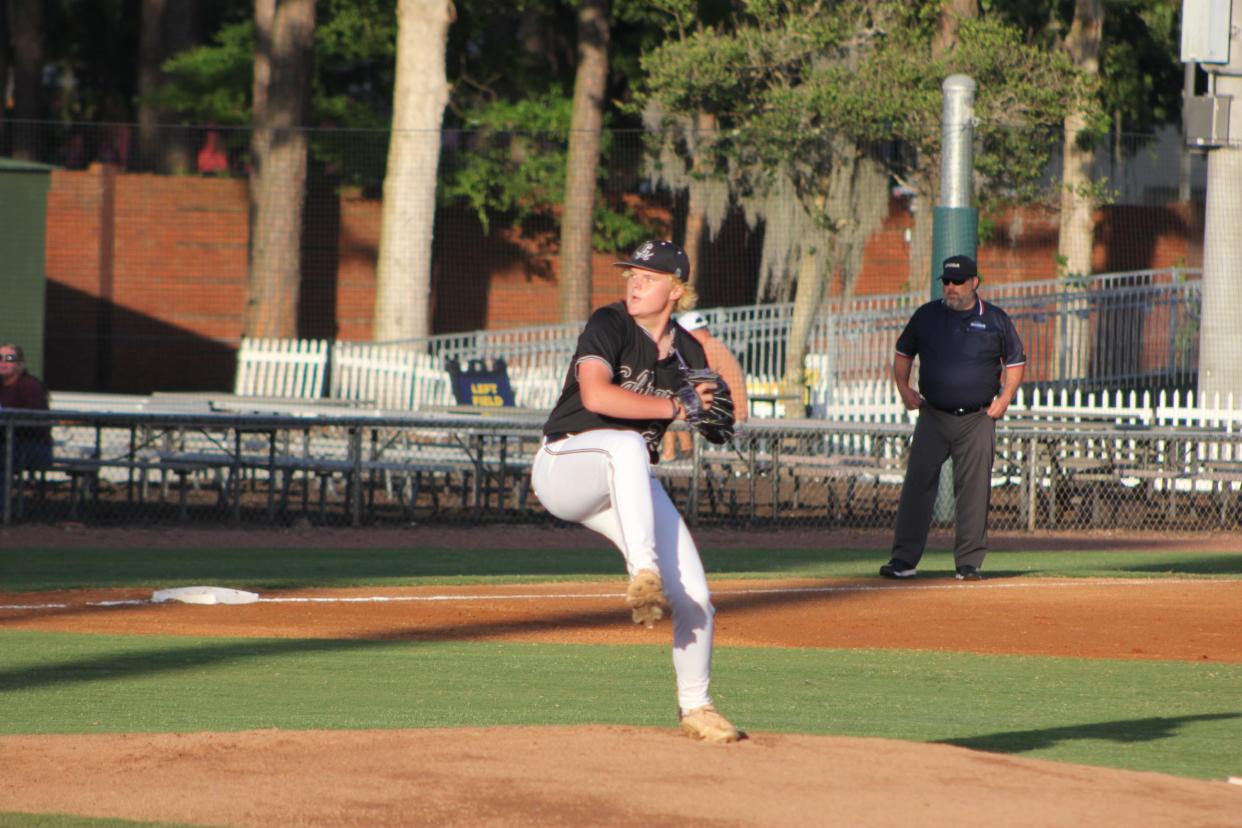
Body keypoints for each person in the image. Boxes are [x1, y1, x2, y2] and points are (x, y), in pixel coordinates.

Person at [530, 239, 741, 744]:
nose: (634, 282)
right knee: (625, 446)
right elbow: (596, 394)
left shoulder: (689, 352)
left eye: (647, 276)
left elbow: (717, 410)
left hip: (626, 483)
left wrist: (711, 415)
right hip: (566, 466)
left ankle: (697, 707)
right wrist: (675, 407)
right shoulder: (610, 323)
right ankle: (641, 572)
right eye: (631, 274)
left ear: (676, 289)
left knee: (695, 598)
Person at [880, 255, 1026, 581]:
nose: (951, 287)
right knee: (917, 485)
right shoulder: (927, 315)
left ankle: (968, 563)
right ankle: (903, 561)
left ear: (975, 283)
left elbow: (1015, 362)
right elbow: (904, 352)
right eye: (946, 281)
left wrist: (1004, 399)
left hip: (977, 417)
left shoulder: (995, 320)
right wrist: (903, 388)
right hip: (933, 414)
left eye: (958, 281)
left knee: (974, 490)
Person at [661, 311, 748, 461]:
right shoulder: (713, 345)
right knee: (675, 406)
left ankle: (677, 456)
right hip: (725, 410)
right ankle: (684, 455)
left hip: (728, 414)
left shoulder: (709, 348)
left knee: (673, 409)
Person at [0, 343, 54, 506]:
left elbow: (35, 422)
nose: (3, 362)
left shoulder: (30, 386)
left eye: (9, 358)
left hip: (32, 447)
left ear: (19, 363)